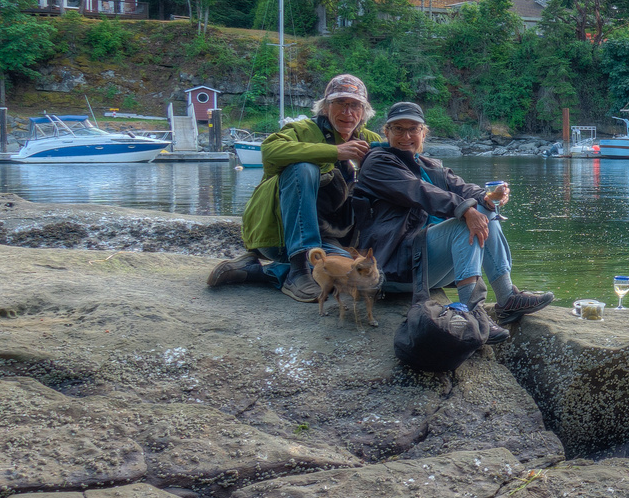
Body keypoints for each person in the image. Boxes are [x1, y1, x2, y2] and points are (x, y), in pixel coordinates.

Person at [351, 101, 554, 335]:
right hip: (394, 265)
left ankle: (507, 297)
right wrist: (466, 210)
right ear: (386, 133)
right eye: (398, 129)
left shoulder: (429, 165)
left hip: (425, 264)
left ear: (423, 133)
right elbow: (419, 191)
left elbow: (462, 188)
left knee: (485, 211)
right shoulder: (378, 162)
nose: (406, 136)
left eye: (413, 129)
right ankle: (473, 314)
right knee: (465, 221)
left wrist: (489, 197)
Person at [210, 74, 382, 301]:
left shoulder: (368, 139)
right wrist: (335, 152)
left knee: (354, 279)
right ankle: (299, 268)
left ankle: (257, 271)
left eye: (354, 106)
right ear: (325, 108)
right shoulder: (301, 129)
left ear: (364, 111)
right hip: (282, 237)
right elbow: (270, 151)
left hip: (328, 238)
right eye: (339, 103)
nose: (347, 112)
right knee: (303, 167)